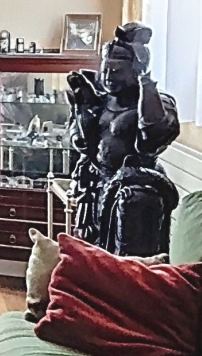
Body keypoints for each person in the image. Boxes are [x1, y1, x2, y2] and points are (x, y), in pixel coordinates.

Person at [66, 23, 181, 256]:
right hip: (97, 184)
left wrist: (146, 85)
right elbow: (80, 140)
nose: (108, 78)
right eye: (105, 70)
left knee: (128, 258)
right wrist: (82, 109)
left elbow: (153, 138)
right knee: (91, 254)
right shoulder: (102, 102)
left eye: (117, 71)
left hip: (133, 191)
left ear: (136, 69)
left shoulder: (158, 103)